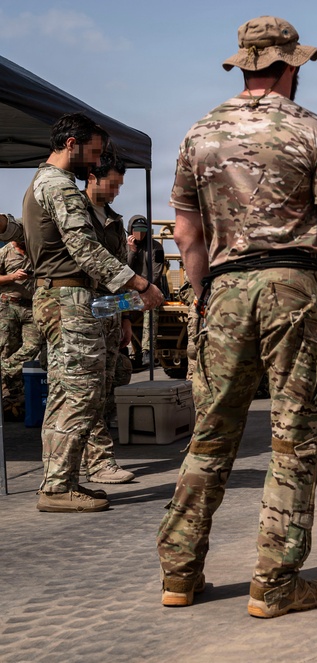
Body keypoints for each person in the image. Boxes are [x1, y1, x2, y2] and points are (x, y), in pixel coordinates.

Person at [157, 16, 317, 619]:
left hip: (222, 291)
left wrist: (202, 294)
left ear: (243, 64)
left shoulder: (198, 134)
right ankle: (274, 583)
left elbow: (188, 231)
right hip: (293, 288)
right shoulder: (315, 132)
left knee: (212, 433)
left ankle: (179, 572)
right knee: (293, 441)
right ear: (291, 66)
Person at [23, 112, 163, 514]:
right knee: (79, 394)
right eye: (95, 152)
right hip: (70, 301)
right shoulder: (60, 186)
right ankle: (56, 488)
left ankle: (59, 482)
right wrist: (138, 285)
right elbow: (84, 250)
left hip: (75, 301)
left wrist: (122, 310)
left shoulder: (47, 183)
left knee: (72, 393)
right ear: (72, 145)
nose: (96, 160)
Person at [79, 148, 135, 483]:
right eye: (112, 185)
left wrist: (126, 318)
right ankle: (99, 461)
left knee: (109, 383)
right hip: (81, 308)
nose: (115, 192)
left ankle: (98, 456)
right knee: (91, 388)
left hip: (110, 313)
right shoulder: (76, 213)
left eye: (119, 186)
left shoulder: (113, 220)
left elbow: (122, 271)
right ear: (92, 176)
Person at [0, 239, 41, 420]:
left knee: (34, 344)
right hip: (8, 305)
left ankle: (3, 370)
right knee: (7, 349)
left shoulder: (35, 248)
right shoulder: (5, 251)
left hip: (31, 307)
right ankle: (11, 403)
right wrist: (12, 277)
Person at [126, 214, 168, 366]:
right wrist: (132, 251)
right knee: (116, 306)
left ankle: (147, 350)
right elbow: (124, 271)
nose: (140, 234)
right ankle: (125, 349)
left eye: (143, 230)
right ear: (130, 230)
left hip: (149, 288)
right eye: (136, 230)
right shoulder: (124, 246)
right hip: (129, 290)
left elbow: (156, 273)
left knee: (151, 306)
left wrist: (145, 289)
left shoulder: (156, 247)